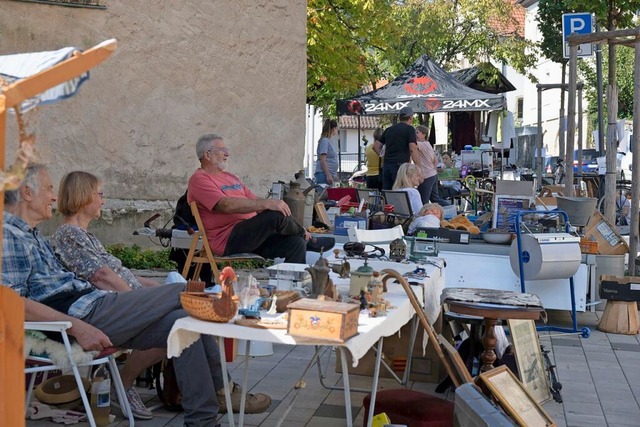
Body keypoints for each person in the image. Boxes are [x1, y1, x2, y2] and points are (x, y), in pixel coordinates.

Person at [2, 164, 270, 426]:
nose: (53, 196)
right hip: (82, 314)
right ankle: (233, 307)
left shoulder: (32, 236)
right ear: (27, 192)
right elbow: (12, 304)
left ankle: (204, 419)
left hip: (96, 306)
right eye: (49, 189)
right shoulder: (8, 235)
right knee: (183, 291)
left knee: (187, 326)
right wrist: (77, 327)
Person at [49, 170, 164, 420]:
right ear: (83, 197)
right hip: (103, 309)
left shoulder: (85, 235)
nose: (103, 200)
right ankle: (122, 383)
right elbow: (102, 277)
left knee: (179, 313)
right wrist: (140, 300)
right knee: (175, 323)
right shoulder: (69, 234)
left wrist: (153, 287)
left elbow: (119, 273)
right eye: (99, 194)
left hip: (117, 301)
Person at [187, 134, 333, 264]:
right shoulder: (199, 179)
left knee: (296, 243)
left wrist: (266, 205)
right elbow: (225, 205)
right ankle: (308, 237)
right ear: (207, 155)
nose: (227, 154)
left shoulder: (230, 177)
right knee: (275, 214)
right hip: (228, 239)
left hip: (252, 237)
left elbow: (253, 200)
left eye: (227, 150)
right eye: (222, 150)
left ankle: (292, 289)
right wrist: (268, 204)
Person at [376, 107, 419, 190]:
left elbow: (376, 146)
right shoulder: (409, 129)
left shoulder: (389, 129)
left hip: (387, 165)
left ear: (400, 118)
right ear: (410, 118)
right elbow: (413, 148)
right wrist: (418, 166)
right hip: (401, 167)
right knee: (400, 192)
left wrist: (383, 156)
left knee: (387, 193)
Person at [414, 124, 441, 205]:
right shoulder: (428, 144)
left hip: (426, 176)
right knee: (435, 199)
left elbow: (412, 145)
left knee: (423, 201)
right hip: (433, 174)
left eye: (417, 132)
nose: (415, 135)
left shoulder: (421, 144)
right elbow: (435, 161)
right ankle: (450, 208)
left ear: (424, 134)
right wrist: (432, 169)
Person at [314, 118, 339, 186]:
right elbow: (323, 159)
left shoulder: (329, 141)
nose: (336, 131)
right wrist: (328, 175)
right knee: (324, 195)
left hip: (329, 174)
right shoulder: (325, 141)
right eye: (336, 128)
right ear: (333, 129)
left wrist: (334, 175)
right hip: (323, 174)